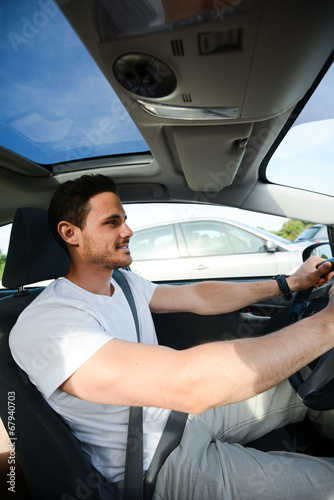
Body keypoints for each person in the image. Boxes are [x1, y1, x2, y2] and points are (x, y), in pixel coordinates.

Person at [9, 174, 334, 500]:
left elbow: (199, 297)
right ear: (70, 233)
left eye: (125, 220)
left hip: (183, 415)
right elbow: (187, 384)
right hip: (155, 462)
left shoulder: (124, 283)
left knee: (308, 378)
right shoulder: (46, 325)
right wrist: (327, 324)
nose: (128, 231)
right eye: (112, 222)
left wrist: (287, 284)